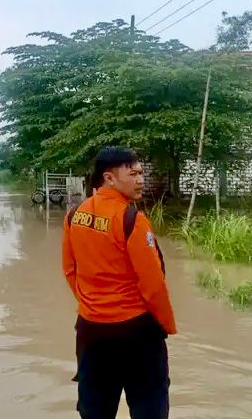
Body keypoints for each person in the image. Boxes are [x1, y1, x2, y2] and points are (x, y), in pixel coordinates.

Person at [62, 147, 176, 419]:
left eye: (141, 173)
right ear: (109, 178)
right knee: (149, 404)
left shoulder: (74, 215)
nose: (140, 180)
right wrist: (166, 326)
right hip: (136, 332)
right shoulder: (132, 220)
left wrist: (92, 304)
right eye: (133, 173)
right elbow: (153, 284)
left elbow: (69, 269)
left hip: (91, 332)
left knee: (95, 408)